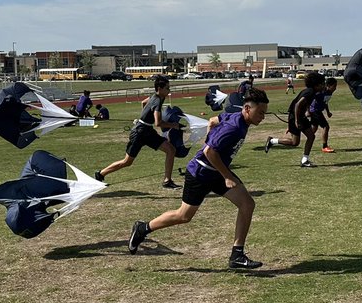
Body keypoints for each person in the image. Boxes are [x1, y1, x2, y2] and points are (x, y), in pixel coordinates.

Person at [128, 88, 269, 270]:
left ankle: (237, 254)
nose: (263, 117)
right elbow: (209, 151)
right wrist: (226, 175)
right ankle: (143, 228)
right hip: (200, 173)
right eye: (260, 112)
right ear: (248, 109)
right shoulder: (234, 127)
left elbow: (212, 120)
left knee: (247, 204)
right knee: (184, 216)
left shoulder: (236, 118)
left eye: (264, 113)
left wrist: (211, 137)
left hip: (216, 171)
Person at [94, 76, 181, 188]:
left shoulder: (156, 96)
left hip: (147, 131)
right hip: (140, 133)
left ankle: (167, 181)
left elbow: (143, 102)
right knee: (127, 162)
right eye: (167, 88)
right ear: (160, 88)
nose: (169, 90)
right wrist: (174, 125)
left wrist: (143, 118)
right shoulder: (158, 100)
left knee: (170, 150)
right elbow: (158, 123)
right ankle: (100, 174)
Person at [264, 71, 325, 167]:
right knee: (294, 142)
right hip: (296, 116)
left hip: (300, 116)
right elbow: (298, 105)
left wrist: (308, 111)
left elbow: (305, 103)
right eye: (322, 84)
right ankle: (272, 141)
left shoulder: (311, 91)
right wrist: (296, 121)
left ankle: (305, 160)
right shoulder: (310, 92)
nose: (324, 86)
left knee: (311, 137)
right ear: (316, 85)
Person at [310, 76, 338, 153]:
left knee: (314, 128)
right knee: (326, 126)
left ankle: (308, 142)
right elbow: (311, 98)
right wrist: (307, 110)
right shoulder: (322, 91)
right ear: (328, 86)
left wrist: (328, 112)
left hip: (317, 111)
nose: (335, 88)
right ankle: (325, 146)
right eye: (334, 86)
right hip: (315, 110)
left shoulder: (329, 93)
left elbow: (325, 102)